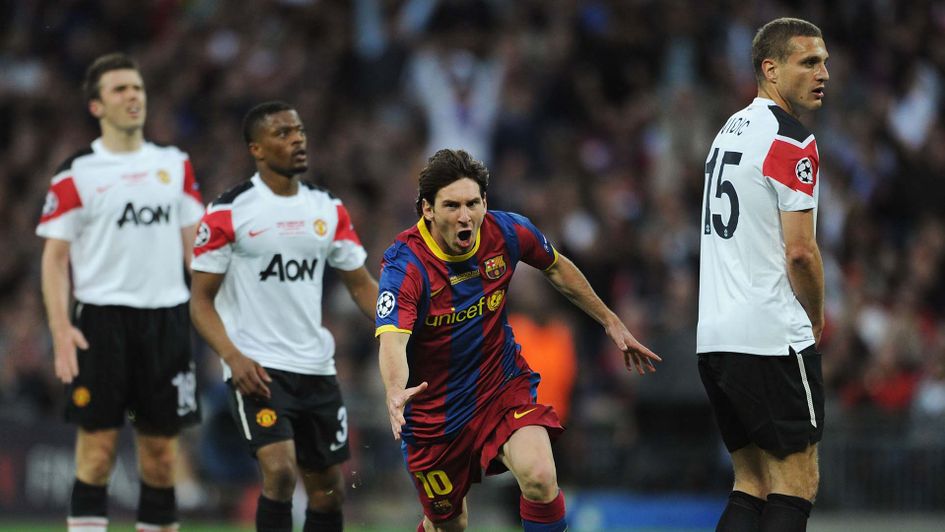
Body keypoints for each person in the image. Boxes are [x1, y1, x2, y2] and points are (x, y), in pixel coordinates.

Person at [375, 148, 661, 532]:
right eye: (452, 205)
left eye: (473, 203)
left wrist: (609, 320)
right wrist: (395, 390)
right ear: (427, 209)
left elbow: (556, 266)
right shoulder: (405, 265)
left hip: (500, 387)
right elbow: (393, 338)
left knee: (540, 476)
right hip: (434, 415)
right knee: (449, 523)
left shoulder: (506, 232)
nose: (465, 216)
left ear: (485, 202)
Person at [189, 101, 379, 532]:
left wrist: (402, 325)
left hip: (315, 368)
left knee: (327, 487)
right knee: (278, 471)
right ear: (256, 149)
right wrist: (232, 357)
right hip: (257, 367)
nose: (297, 139)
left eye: (299, 130)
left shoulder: (328, 209)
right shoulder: (227, 213)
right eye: (282, 133)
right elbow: (200, 301)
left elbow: (361, 284)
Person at [37, 52, 204, 532]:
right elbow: (54, 258)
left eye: (138, 88)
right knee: (96, 453)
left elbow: (197, 252)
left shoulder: (175, 165)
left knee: (160, 459)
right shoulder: (76, 173)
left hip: (167, 321)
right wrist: (60, 327)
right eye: (119, 89)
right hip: (100, 322)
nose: (133, 96)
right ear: (96, 106)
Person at [696, 18, 829, 532]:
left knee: (750, 483)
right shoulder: (792, 139)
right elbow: (800, 252)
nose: (823, 73)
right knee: (796, 483)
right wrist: (816, 316)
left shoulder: (727, 132)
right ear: (770, 69)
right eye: (809, 61)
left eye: (825, 62)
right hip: (770, 337)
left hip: (716, 338)